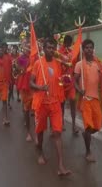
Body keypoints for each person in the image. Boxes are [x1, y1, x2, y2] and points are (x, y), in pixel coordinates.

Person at [30, 38, 70, 176]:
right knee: (40, 133)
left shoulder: (58, 63)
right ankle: (40, 152)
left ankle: (60, 165)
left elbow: (66, 68)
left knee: (58, 133)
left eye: (53, 48)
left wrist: (63, 82)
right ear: (43, 49)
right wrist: (40, 87)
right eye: (48, 48)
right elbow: (31, 82)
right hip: (41, 103)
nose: (51, 50)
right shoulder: (37, 63)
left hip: (55, 103)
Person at [74, 39, 102, 162]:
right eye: (87, 48)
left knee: (97, 126)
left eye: (91, 48)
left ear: (93, 49)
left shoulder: (98, 64)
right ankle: (88, 152)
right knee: (88, 126)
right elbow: (74, 80)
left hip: (95, 99)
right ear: (83, 50)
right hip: (85, 100)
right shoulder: (79, 65)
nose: (89, 50)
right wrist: (79, 89)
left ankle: (86, 135)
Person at [59, 35, 79, 134]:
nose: (69, 45)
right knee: (61, 104)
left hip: (71, 82)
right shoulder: (59, 53)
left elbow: (75, 66)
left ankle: (74, 125)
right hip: (62, 82)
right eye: (68, 43)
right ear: (65, 43)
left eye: (70, 44)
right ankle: (62, 122)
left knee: (72, 101)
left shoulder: (72, 52)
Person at [16, 43, 33, 141]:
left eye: (29, 46)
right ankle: (28, 133)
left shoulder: (35, 57)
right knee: (26, 109)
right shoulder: (21, 58)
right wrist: (24, 67)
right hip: (25, 85)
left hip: (35, 86)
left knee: (36, 110)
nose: (28, 48)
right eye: (26, 47)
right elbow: (19, 69)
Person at [0, 44, 12, 125]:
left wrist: (9, 80)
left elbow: (10, 69)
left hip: (4, 83)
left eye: (1, 50)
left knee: (4, 100)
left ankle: (5, 118)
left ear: (3, 51)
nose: (0, 52)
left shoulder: (7, 58)